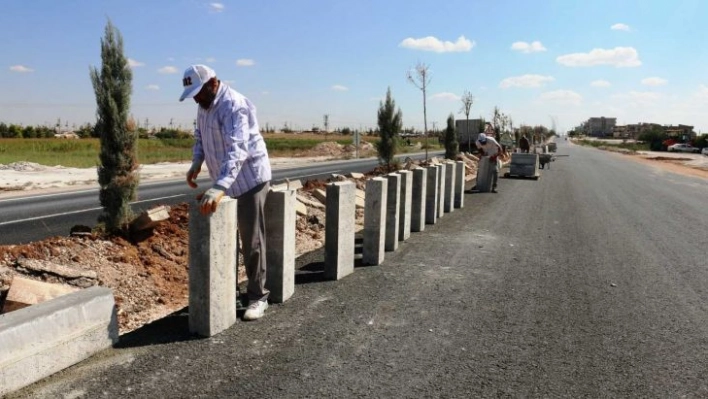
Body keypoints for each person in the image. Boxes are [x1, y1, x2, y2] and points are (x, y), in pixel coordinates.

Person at [180, 65, 272, 321]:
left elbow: (238, 149)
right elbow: (200, 137)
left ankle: (258, 297)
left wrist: (219, 187)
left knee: (251, 240)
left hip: (249, 179)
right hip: (225, 180)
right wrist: (197, 162)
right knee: (225, 238)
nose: (196, 99)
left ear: (213, 83)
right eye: (193, 95)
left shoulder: (234, 105)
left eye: (199, 92)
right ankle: (228, 292)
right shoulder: (203, 106)